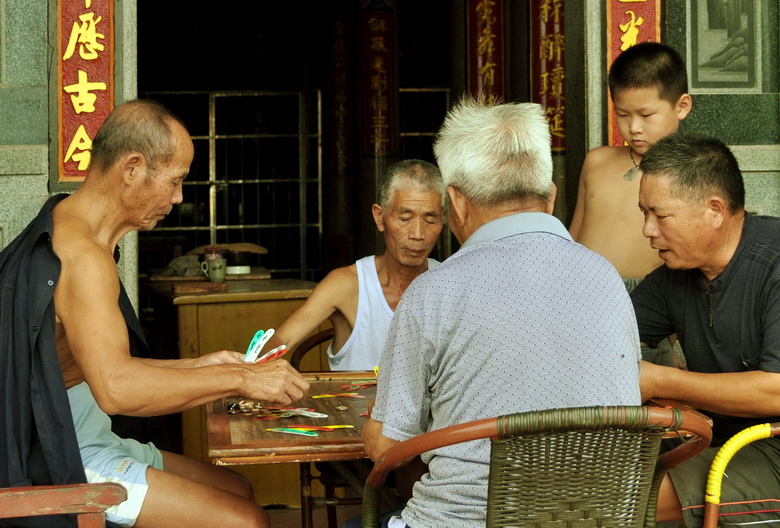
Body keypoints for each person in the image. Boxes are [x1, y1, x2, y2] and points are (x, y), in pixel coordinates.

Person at [0, 99, 310, 528]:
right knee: (245, 521)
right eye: (176, 180)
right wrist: (243, 378)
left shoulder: (69, 222)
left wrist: (201, 366)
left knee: (237, 489)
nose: (179, 197)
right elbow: (117, 389)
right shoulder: (83, 257)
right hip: (60, 454)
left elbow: (98, 364)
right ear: (131, 168)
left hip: (86, 433)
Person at [358, 97, 642, 528]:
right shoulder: (605, 278)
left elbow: (386, 446)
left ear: (456, 203)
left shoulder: (434, 290)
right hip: (592, 520)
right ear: (551, 197)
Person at [632, 131, 780, 526]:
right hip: (717, 440)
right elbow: (610, 337)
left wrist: (662, 382)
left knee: (625, 494)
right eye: (643, 213)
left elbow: (776, 390)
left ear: (714, 209)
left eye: (660, 216)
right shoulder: (673, 277)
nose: (647, 230)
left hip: (772, 448)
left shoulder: (774, 264)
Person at [262, 159, 446, 371]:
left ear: (444, 220)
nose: (417, 234)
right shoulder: (347, 285)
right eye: (405, 218)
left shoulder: (451, 285)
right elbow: (282, 338)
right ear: (379, 217)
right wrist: (244, 371)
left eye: (430, 221)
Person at [569, 41, 693, 288]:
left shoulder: (694, 172)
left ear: (682, 106)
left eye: (646, 115)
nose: (634, 127)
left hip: (650, 295)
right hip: (580, 288)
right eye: (623, 114)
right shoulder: (597, 161)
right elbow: (573, 238)